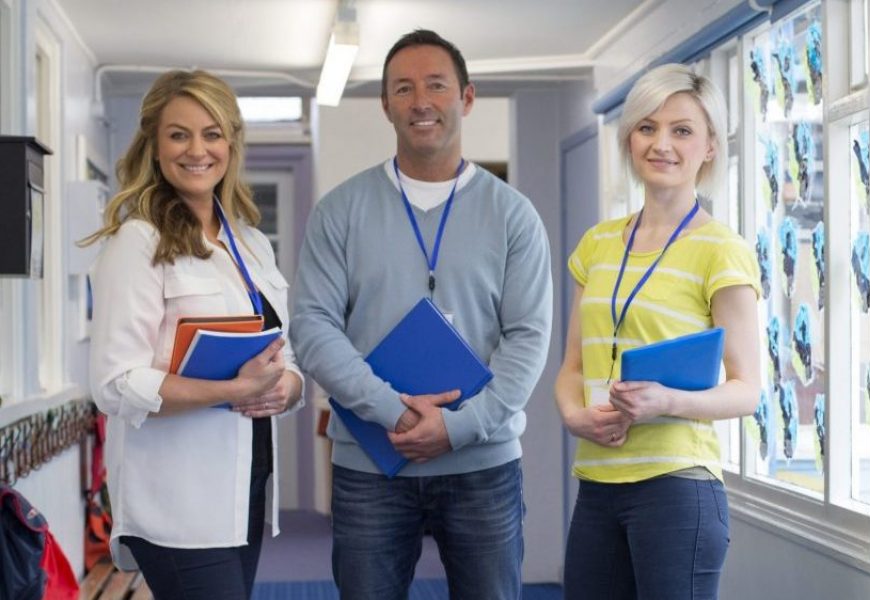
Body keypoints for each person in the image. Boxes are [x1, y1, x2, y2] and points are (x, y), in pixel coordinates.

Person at [291, 29, 552, 600]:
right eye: (403, 89)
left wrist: (459, 427)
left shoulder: (513, 215)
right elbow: (312, 328)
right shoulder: (341, 210)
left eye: (436, 85)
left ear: (467, 97)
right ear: (385, 105)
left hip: (482, 464)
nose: (420, 101)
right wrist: (393, 413)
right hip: (370, 464)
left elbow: (528, 338)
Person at [84, 70, 304, 600]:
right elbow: (114, 383)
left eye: (211, 133)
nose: (197, 150)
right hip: (177, 502)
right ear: (155, 148)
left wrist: (287, 387)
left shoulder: (250, 243)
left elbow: (283, 353)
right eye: (178, 134)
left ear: (230, 142)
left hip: (242, 488)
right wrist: (233, 391)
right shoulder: (137, 243)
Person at [555, 63, 761, 600]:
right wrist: (576, 416)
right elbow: (573, 367)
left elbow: (747, 390)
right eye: (647, 127)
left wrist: (665, 400)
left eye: (682, 130)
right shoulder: (597, 245)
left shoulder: (721, 250)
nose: (661, 143)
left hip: (677, 488)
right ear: (629, 139)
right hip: (598, 484)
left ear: (710, 146)